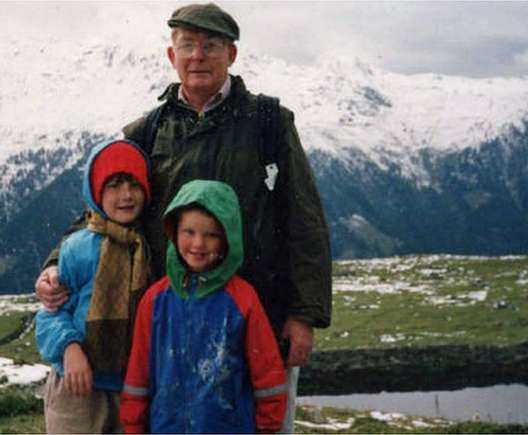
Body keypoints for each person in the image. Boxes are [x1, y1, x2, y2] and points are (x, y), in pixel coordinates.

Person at [35, 3, 332, 431]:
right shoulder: (148, 131)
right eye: (187, 45)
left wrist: (303, 316)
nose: (198, 56)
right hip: (173, 325)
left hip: (259, 319)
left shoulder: (268, 123)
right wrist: (52, 268)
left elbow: (305, 220)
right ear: (171, 56)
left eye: (210, 45)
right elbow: (104, 211)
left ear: (231, 54)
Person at [121, 179, 287, 433]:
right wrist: (133, 426)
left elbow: (267, 373)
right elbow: (138, 375)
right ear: (174, 232)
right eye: (189, 232)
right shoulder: (155, 300)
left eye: (211, 235)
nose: (198, 244)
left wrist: (267, 426)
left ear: (226, 240)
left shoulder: (243, 300)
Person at [35, 139, 152, 433]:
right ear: (96, 191)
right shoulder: (77, 249)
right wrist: (69, 348)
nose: (126, 195)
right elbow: (49, 314)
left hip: (134, 389)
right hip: (76, 386)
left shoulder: (150, 248)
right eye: (113, 185)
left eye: (134, 184)